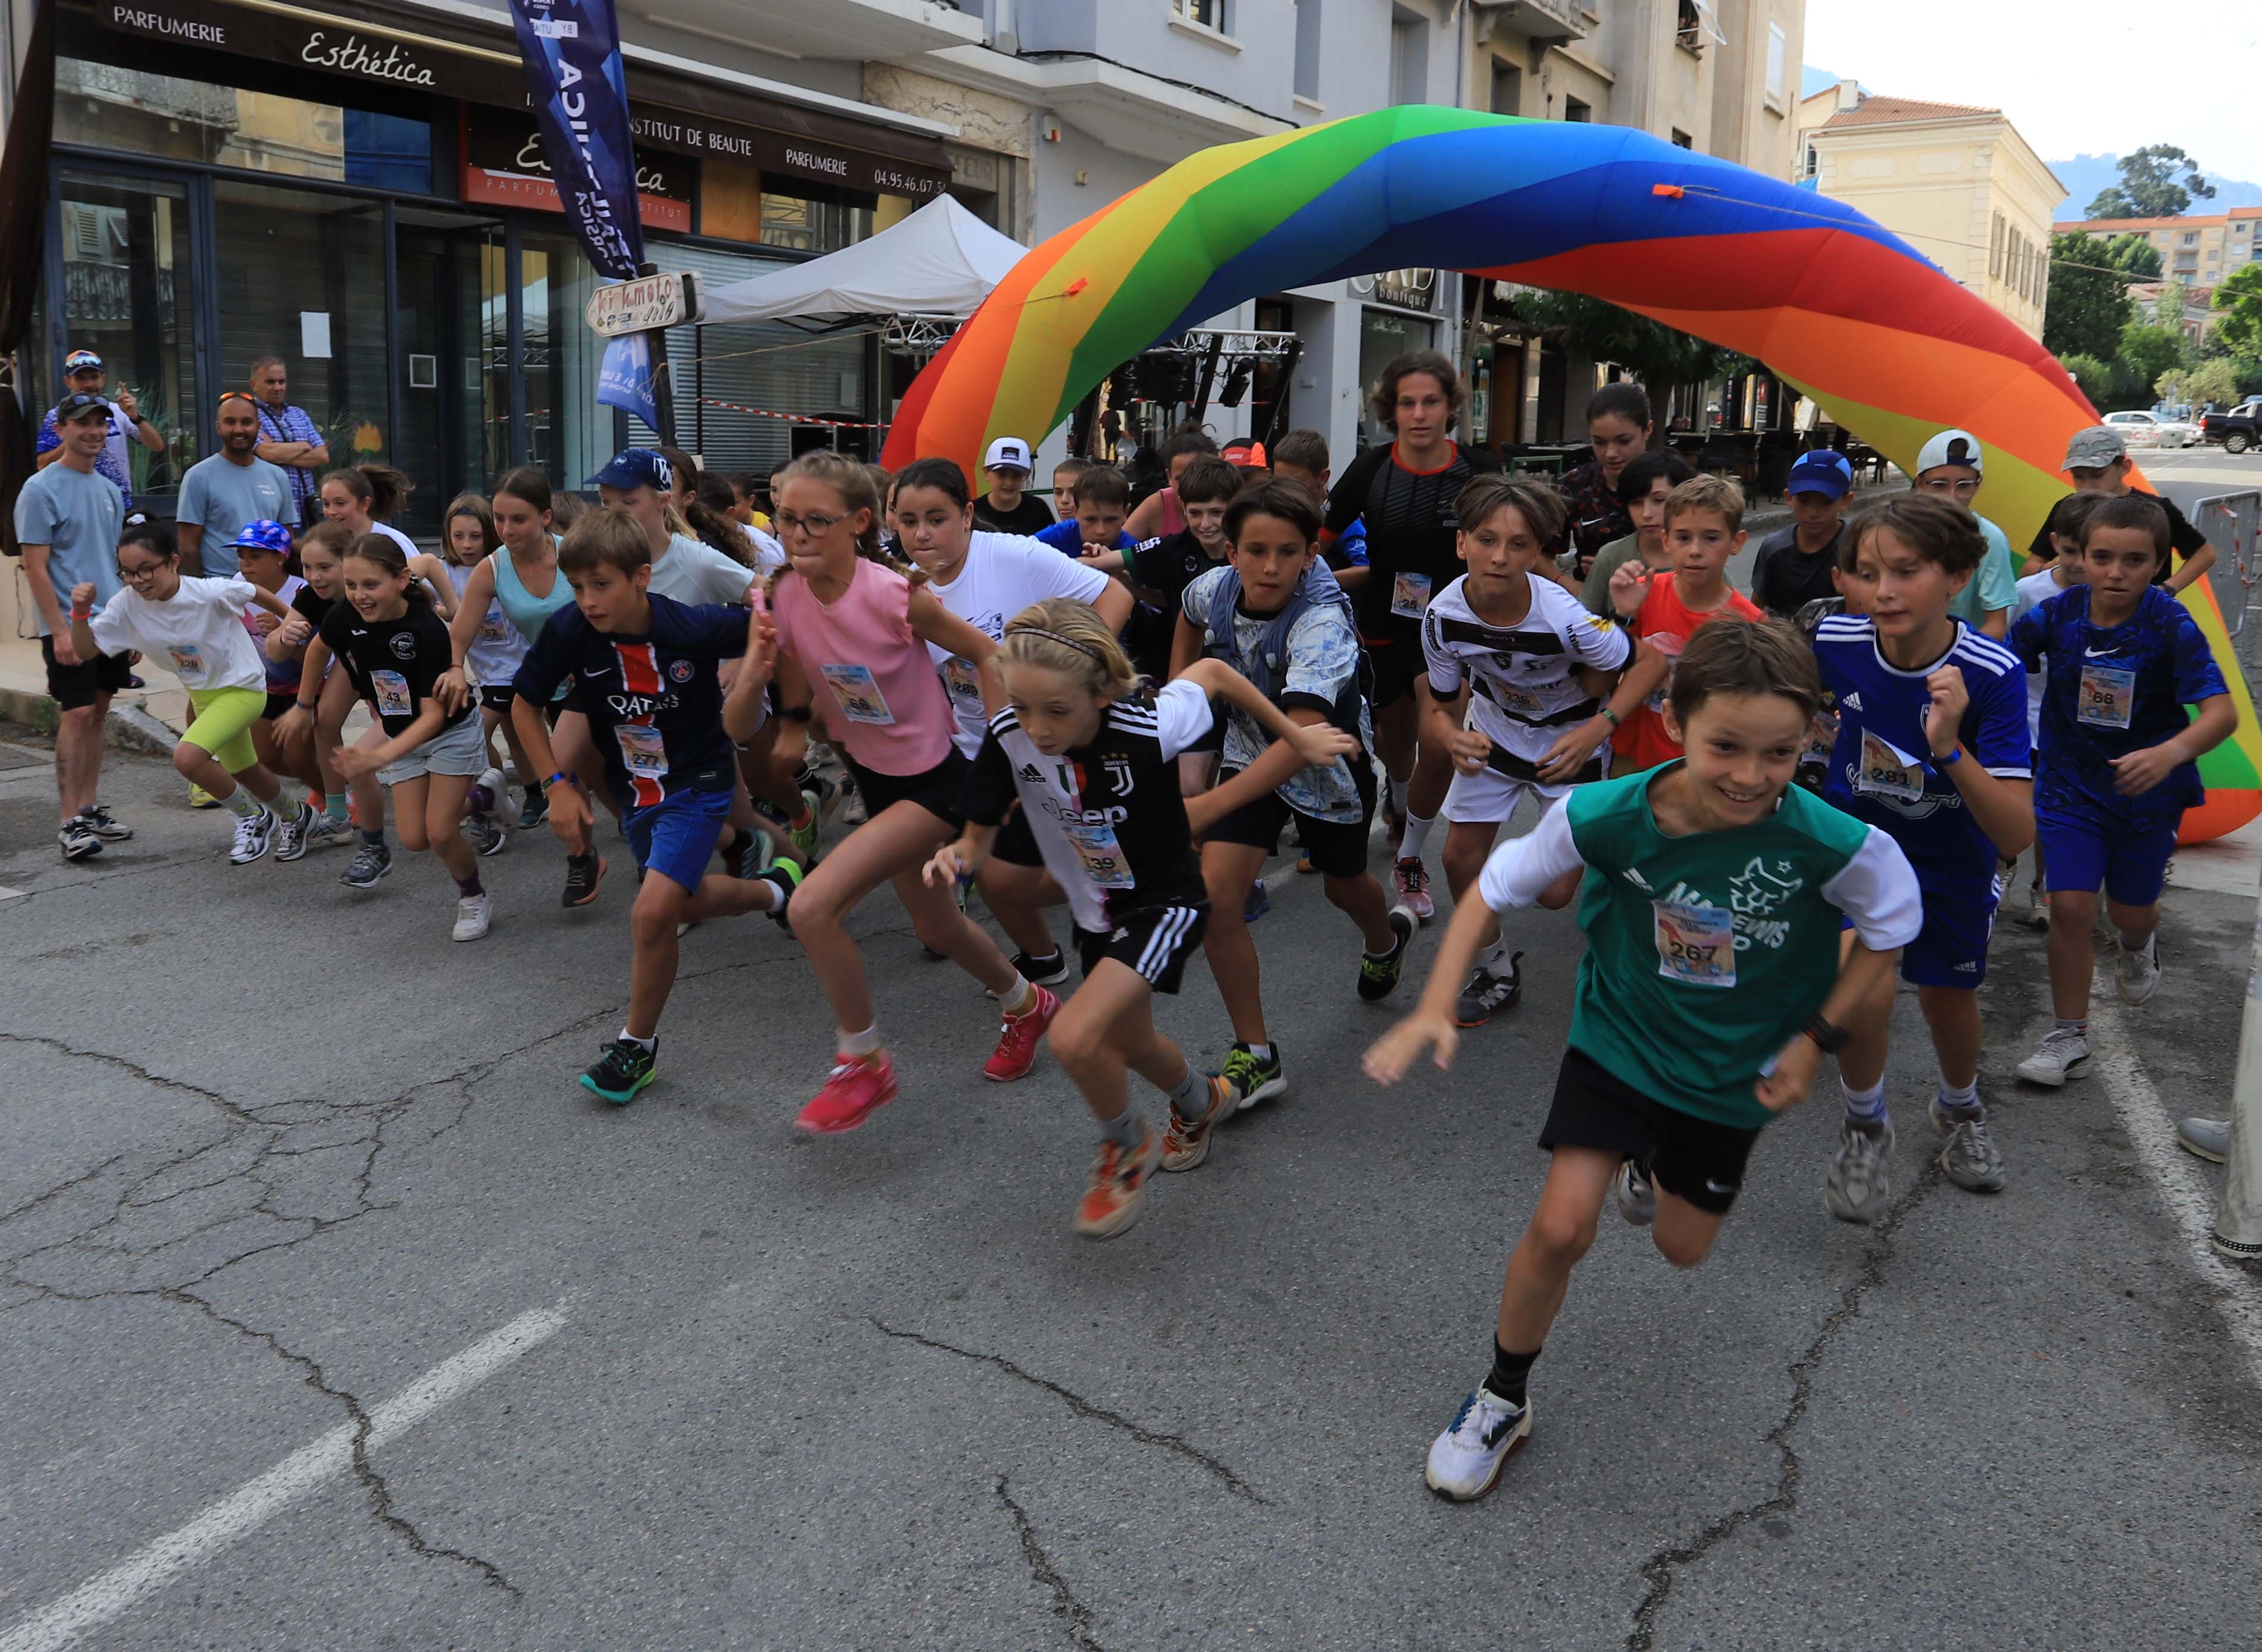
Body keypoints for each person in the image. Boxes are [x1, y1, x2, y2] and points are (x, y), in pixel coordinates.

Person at [1364, 620, 1921, 1502]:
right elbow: (1494, 891)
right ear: (1674, 723)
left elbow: (1886, 942)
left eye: (1778, 753)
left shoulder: (1839, 846)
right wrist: (1435, 1005)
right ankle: (1502, 1396)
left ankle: (1656, 1161)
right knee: (1561, 1227)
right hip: (1620, 1039)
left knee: (1682, 1248)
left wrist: (1813, 1043)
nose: (1750, 775)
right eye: (1726, 747)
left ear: (1812, 737)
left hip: (1733, 1073)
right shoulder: (1606, 815)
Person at [928, 599, 1358, 1236]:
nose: (1036, 728)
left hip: (1163, 900)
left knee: (1076, 1036)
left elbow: (1212, 672)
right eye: (1021, 706)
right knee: (1129, 1043)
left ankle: (1125, 1144)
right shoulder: (1008, 736)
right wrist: (961, 852)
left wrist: (1293, 735)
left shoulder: (1145, 722)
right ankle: (1200, 1100)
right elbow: (982, 820)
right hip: (1095, 905)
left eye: (1055, 711)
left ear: (1101, 693)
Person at [740, 451, 1062, 1133]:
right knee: (937, 925)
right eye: (788, 520)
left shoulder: (893, 594)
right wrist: (783, 706)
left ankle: (862, 1061)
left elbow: (987, 653)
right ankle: (1028, 1004)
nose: (797, 535)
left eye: (815, 522)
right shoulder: (782, 597)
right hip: (876, 779)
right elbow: (774, 683)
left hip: (936, 780)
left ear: (858, 523)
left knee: (813, 906)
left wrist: (1005, 752)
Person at [508, 508, 804, 1103]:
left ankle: (635, 1048)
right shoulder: (569, 631)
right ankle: (779, 888)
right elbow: (522, 704)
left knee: (649, 915)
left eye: (601, 584)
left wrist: (785, 707)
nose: (588, 600)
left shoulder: (690, 627)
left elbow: (779, 629)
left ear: (641, 576)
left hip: (700, 781)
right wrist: (557, 785)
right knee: (675, 902)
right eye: (577, 586)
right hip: (636, 791)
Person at [1814, 493, 2033, 1221]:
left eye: (1905, 571)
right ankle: (1864, 1123)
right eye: (1867, 571)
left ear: (1958, 575)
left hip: (1950, 862)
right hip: (1858, 849)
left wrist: (1947, 745)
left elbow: (2013, 834)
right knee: (1861, 987)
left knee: (1945, 1000)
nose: (1882, 590)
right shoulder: (1834, 641)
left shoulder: (1990, 672)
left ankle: (1959, 1108)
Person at [1174, 478, 1419, 1108]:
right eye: (1254, 550)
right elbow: (1188, 612)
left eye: (1287, 551)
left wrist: (1205, 806)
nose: (1270, 566)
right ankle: (1256, 1055)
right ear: (1229, 551)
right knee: (1217, 900)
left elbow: (1303, 734)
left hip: (1325, 764)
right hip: (1249, 752)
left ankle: (1383, 937)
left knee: (1344, 886)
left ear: (1312, 552)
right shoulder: (1216, 586)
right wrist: (1182, 697)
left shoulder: (1322, 619)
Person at [2009, 495, 2235, 1087]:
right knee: (2070, 906)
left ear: (2158, 563)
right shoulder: (2055, 614)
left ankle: (2138, 945)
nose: (2114, 572)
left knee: (2128, 912)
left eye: (2133, 560)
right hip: (2067, 786)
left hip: (2146, 794)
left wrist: (2168, 752)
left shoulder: (2167, 621)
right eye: (2101, 557)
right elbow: (1998, 663)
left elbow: (2220, 713)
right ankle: (2066, 1034)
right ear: (2077, 555)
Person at [1421, 476, 1663, 1027]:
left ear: (1538, 553)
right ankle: (1497, 971)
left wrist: (1599, 729)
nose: (1499, 558)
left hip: (1569, 743)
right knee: (1458, 859)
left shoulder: (1566, 617)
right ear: (1462, 544)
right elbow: (1437, 705)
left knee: (1555, 894)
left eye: (1518, 545)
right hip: (1496, 735)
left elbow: (1648, 664)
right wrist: (1452, 735)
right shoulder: (1441, 616)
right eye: (1486, 540)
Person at [889, 456, 1130, 983]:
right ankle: (1044, 955)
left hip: (1054, 743)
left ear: (968, 516)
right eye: (909, 521)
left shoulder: (1014, 557)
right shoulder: (898, 585)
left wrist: (1077, 679)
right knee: (985, 874)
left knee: (1043, 865)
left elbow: (1115, 596)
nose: (922, 534)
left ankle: (1133, 907)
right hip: (975, 746)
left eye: (937, 519)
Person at [1321, 349, 1503, 915]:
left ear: (1450, 407)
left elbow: (1515, 535)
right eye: (1408, 403)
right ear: (1391, 410)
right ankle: (1400, 805)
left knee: (1440, 735)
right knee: (1395, 735)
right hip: (1385, 618)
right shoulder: (1373, 468)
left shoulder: (1477, 468)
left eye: (1431, 402)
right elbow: (1319, 537)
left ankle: (1411, 856)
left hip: (1454, 622)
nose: (1420, 414)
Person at [280, 536, 493, 940]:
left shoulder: (425, 628)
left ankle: (473, 897)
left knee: (442, 833)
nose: (360, 595)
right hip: (401, 730)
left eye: (370, 585)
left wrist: (379, 758)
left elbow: (432, 718)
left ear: (400, 580)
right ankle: (485, 797)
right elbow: (317, 650)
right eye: (353, 584)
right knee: (415, 839)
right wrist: (304, 708)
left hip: (448, 732)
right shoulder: (345, 615)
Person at [68, 519, 301, 865]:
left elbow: (252, 593)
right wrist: (80, 613)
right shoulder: (126, 605)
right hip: (202, 694)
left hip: (243, 688)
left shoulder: (206, 592)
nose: (139, 580)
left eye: (147, 569)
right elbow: (85, 651)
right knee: (244, 770)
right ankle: (297, 817)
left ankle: (252, 818)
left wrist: (288, 619)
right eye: (129, 573)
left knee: (189, 758)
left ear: (173, 562)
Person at [17, 393, 130, 861]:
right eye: (83, 423)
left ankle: (89, 807)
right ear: (61, 429)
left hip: (110, 622)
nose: (95, 431)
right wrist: (60, 630)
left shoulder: (107, 489)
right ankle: (70, 823)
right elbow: (35, 566)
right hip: (70, 624)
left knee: (99, 712)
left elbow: (116, 564)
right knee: (77, 713)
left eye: (102, 424)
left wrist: (131, 628)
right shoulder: (40, 488)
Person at [1605, 475, 1764, 772]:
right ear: (1666, 541)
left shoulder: (1750, 623)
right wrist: (1622, 616)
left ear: (1737, 542)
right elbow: (1608, 669)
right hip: (1634, 755)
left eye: (1711, 538)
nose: (1695, 550)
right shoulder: (1642, 593)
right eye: (1683, 537)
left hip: (1703, 766)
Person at [2003, 494, 2103, 930]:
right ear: (2054, 543)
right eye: (2069, 552)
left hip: (2083, 731)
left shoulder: (2119, 599)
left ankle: (2044, 889)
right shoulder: (2029, 593)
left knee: (2054, 815)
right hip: (2025, 719)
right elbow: (2005, 659)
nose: (2080, 564)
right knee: (2012, 805)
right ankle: (2001, 870)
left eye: (2091, 554)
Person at [229, 519, 343, 860]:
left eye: (254, 556)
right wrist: (279, 637)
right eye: (241, 556)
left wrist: (281, 628)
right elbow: (273, 649)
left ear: (279, 558)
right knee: (264, 756)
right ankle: (328, 788)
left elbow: (313, 656)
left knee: (299, 752)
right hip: (267, 684)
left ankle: (339, 802)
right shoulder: (237, 585)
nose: (245, 563)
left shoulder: (300, 591)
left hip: (311, 681)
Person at [1081, 453, 1239, 690]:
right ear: (1184, 509)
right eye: (1196, 513)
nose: (1206, 524)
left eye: (1216, 513)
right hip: (1186, 672)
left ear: (1235, 507)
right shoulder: (1172, 548)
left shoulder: (1252, 550)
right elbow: (1102, 562)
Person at [2024, 425, 2217, 593]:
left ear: (2124, 467)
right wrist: (2051, 570)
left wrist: (2167, 589)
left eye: (2097, 475)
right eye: (2078, 477)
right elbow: (2029, 569)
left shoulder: (2156, 509)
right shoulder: (2069, 508)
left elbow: (2204, 554)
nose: (2087, 485)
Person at [438, 494, 526, 853]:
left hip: (517, 670)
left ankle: (487, 803)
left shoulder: (501, 565)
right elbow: (424, 573)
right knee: (517, 740)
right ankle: (534, 794)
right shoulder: (446, 571)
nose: (467, 545)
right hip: (484, 675)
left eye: (475, 536)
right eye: (458, 536)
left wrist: (450, 613)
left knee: (476, 734)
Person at [1911, 429, 2017, 637]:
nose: (1951, 497)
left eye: (1964, 486)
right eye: (1939, 485)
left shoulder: (1990, 539)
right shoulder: (1899, 533)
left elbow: (1996, 624)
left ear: (1978, 485)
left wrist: (1958, 660)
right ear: (1920, 484)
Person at [176, 393, 293, 578]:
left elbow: (287, 541)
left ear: (258, 427)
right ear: (218, 427)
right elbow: (188, 547)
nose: (239, 429)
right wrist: (199, 596)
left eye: (246, 422)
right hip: (219, 590)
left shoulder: (278, 477)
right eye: (230, 422)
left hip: (269, 593)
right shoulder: (198, 477)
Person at [34, 349, 164, 507]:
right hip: (77, 502)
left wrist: (134, 416)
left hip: (119, 502)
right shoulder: (57, 416)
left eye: (94, 378)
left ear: (103, 379)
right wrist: (73, 440)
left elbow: (157, 446)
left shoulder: (117, 411)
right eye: (81, 379)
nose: (89, 384)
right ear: (68, 382)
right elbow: (42, 465)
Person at [1551, 382, 1652, 576]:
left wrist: (1612, 568)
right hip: (1589, 600)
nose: (1611, 453)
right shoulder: (1574, 485)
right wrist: (1569, 586)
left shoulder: (1674, 484)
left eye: (1624, 441)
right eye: (1599, 443)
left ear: (1647, 430)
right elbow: (1538, 555)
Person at [1579, 451, 1694, 619]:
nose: (1647, 513)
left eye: (1659, 500)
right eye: (1636, 503)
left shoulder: (1700, 557)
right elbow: (1586, 627)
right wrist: (1621, 616)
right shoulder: (1611, 556)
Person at [1748, 449, 1855, 620]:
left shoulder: (1857, 549)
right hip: (1781, 642)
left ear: (1845, 501)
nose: (1812, 513)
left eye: (1826, 503)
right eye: (1804, 501)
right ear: (1789, 498)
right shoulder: (1774, 547)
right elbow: (1756, 608)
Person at [248, 356, 330, 527]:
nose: (277, 387)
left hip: (306, 510)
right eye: (270, 382)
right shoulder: (249, 416)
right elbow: (268, 453)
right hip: (271, 511)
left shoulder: (299, 414)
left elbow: (322, 456)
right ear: (254, 384)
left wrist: (279, 453)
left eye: (282, 382)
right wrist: (304, 446)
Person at [1121, 426, 1221, 542]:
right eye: (1180, 479)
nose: (1189, 485)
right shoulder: (1158, 505)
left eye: (1217, 512)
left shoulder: (1234, 504)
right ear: (1169, 477)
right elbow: (1121, 547)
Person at [319, 466, 421, 561]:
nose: (331, 512)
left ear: (365, 504)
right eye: (326, 504)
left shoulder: (394, 541)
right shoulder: (323, 543)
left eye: (340, 503)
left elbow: (419, 577)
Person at [1035, 464, 1136, 559]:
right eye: (1091, 519)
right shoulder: (1057, 536)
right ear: (1076, 511)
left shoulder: (1134, 553)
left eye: (1111, 520)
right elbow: (1022, 553)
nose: (1101, 531)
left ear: (1125, 513)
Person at [973, 436, 1056, 536]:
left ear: (1027, 475)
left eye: (1016, 476)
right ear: (986, 473)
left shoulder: (1039, 510)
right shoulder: (973, 512)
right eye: (1001, 475)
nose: (1009, 482)